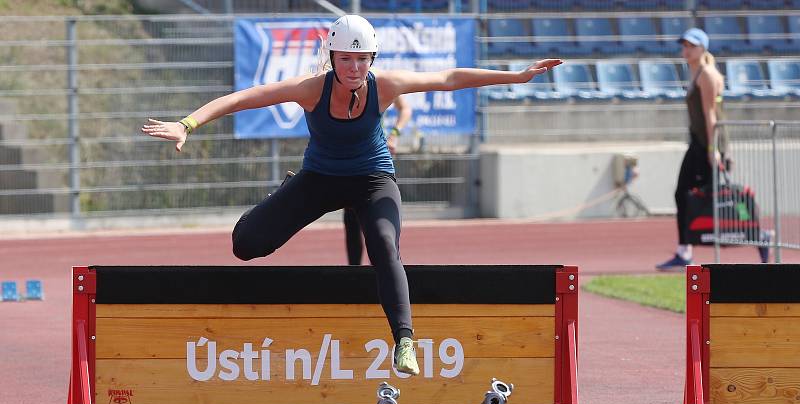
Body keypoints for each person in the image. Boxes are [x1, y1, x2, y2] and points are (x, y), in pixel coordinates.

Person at [142, 14, 562, 375]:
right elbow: (241, 99)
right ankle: (287, 190)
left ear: (372, 59)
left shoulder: (386, 86)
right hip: (319, 178)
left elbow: (449, 78)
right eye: (346, 58)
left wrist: (518, 75)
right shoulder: (311, 89)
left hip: (373, 179)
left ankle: (404, 341)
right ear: (332, 58)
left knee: (383, 244)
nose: (355, 67)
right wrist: (187, 124)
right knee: (246, 245)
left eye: (363, 59)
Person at [656, 28, 726, 271]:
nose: (685, 50)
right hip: (699, 141)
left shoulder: (706, 74)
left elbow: (710, 115)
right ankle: (684, 250)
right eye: (684, 45)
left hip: (705, 142)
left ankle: (760, 236)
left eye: (691, 46)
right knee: (693, 195)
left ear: (702, 48)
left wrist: (712, 148)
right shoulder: (696, 72)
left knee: (706, 197)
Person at [344, 94, 412, 265]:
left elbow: (405, 108)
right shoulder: (339, 82)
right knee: (352, 220)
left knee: (379, 225)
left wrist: (394, 134)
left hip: (374, 162)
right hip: (346, 161)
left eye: (363, 64)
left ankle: (385, 272)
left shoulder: (381, 83)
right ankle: (354, 275)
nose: (355, 67)